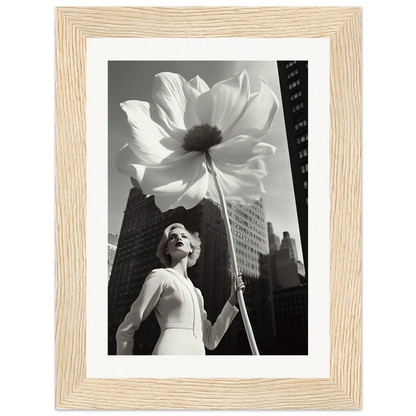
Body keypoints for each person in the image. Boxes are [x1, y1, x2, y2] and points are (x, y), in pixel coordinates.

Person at [116, 222, 245, 355]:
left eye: (184, 236)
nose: (179, 239)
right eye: (172, 237)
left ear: (191, 248)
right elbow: (126, 329)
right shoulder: (160, 276)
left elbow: (210, 341)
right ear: (166, 249)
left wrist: (232, 300)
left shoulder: (197, 292)